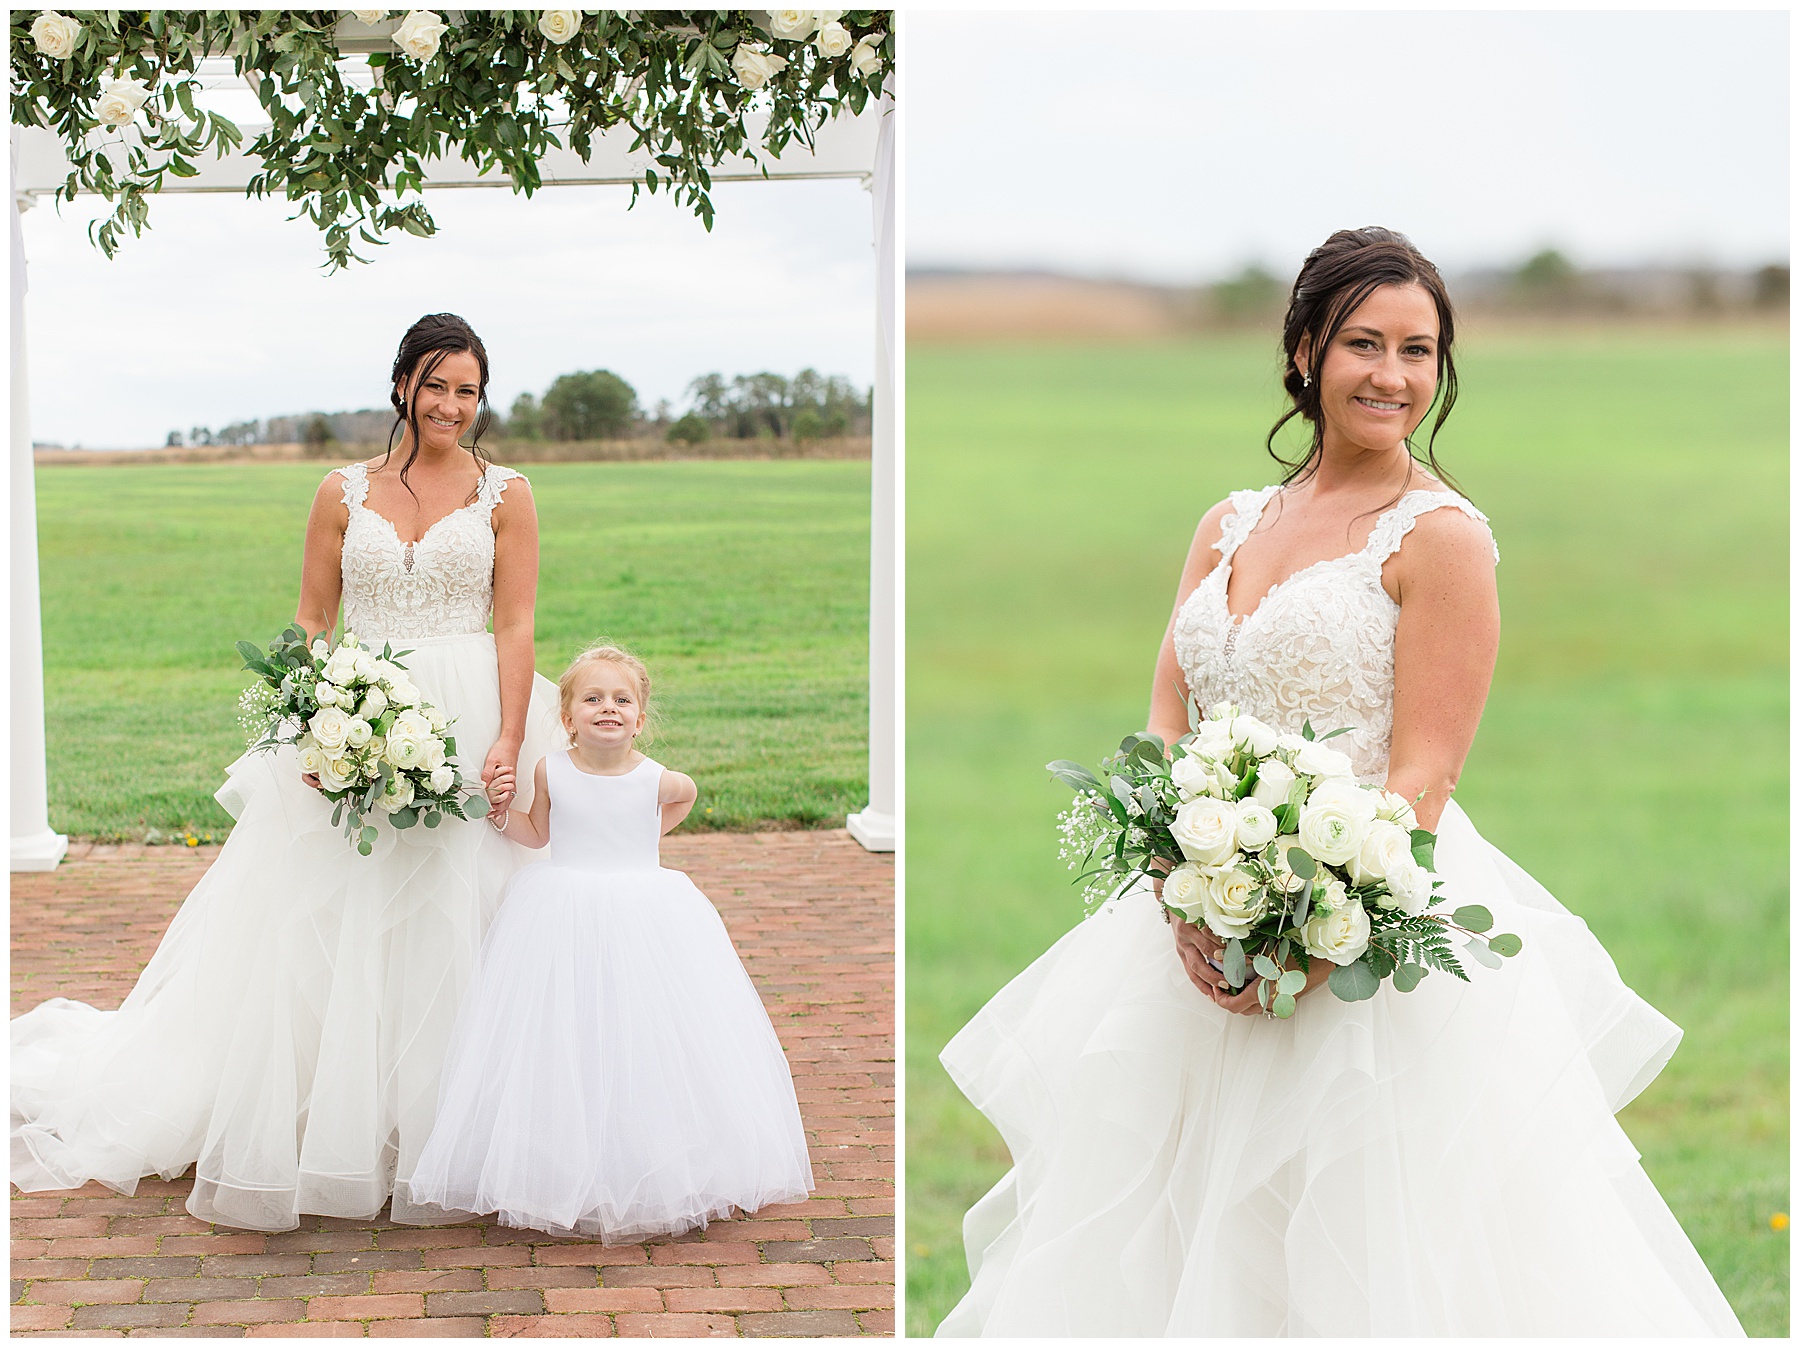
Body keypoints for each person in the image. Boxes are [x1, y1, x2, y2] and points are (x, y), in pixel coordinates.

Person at [935, 229, 1746, 1336]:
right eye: (1365, 343)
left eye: (1421, 349)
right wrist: (1188, 888)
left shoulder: (1444, 539)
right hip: (1192, 925)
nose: (1394, 375)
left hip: (1364, 925)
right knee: (1169, 1234)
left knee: (1363, 1245)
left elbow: (1427, 769)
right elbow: (1167, 724)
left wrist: (1311, 931)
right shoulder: (1228, 523)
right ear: (1306, 349)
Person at [12, 313, 566, 1232]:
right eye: (436, 386)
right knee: (332, 911)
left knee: (460, 907)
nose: (452, 406)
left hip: (469, 715)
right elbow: (312, 620)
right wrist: (309, 724)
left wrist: (509, 737)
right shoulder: (341, 491)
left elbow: (515, 623)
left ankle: (452, 1132)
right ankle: (333, 1122)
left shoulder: (508, 494)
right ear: (402, 388)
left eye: (468, 390)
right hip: (360, 704)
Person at [406, 642, 814, 1237]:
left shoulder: (659, 779)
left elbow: (681, 802)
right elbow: (537, 830)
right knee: (567, 1030)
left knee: (644, 1029)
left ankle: (654, 1157)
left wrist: (645, 840)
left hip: (642, 909)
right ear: (567, 717)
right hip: (561, 909)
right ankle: (563, 1160)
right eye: (592, 699)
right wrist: (500, 816)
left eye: (622, 700)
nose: (608, 709)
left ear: (640, 718)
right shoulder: (551, 770)